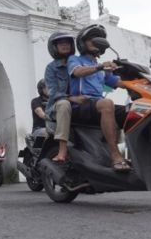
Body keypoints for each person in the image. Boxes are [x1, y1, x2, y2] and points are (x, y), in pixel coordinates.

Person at [67, 24, 130, 172]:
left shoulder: (102, 67)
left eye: (99, 39)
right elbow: (77, 72)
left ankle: (134, 153)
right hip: (80, 104)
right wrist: (100, 67)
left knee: (134, 110)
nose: (96, 42)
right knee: (107, 103)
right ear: (83, 42)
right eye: (91, 39)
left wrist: (141, 83)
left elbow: (118, 82)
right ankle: (115, 155)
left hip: (98, 105)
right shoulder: (75, 59)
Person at [43, 31, 76, 163]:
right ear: (54, 47)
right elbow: (54, 92)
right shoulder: (51, 68)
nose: (65, 45)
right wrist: (72, 99)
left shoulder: (78, 64)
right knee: (64, 104)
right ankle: (62, 150)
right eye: (61, 43)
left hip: (79, 104)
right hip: (58, 106)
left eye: (67, 42)